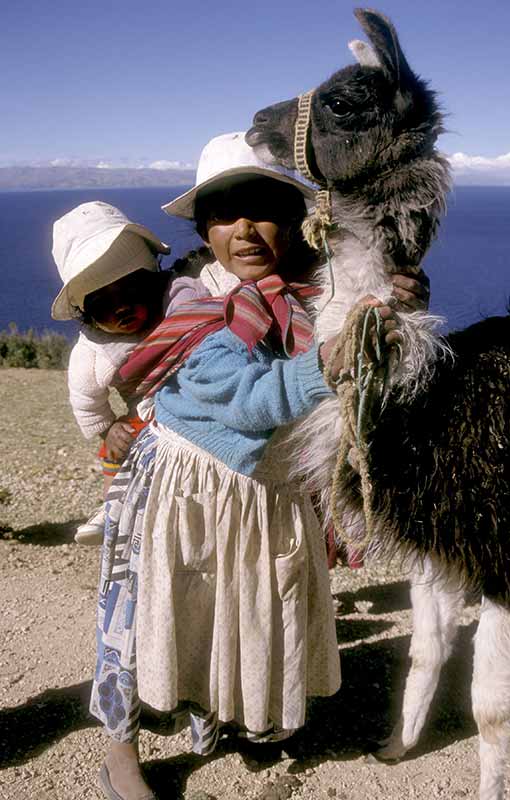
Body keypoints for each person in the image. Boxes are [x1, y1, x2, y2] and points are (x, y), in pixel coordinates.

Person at [90, 132, 428, 800]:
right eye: (222, 215)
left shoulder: (316, 292)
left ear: (295, 219)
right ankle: (118, 747)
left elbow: (371, 363)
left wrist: (396, 310)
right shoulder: (195, 305)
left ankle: (235, 713)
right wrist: (333, 360)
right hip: (182, 489)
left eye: (260, 210)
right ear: (204, 230)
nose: (242, 229)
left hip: (269, 492)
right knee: (136, 612)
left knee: (241, 608)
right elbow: (252, 399)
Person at [51, 201, 209, 544]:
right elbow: (86, 401)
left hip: (199, 402)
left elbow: (195, 302)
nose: (121, 306)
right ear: (86, 314)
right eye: (103, 303)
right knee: (115, 451)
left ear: (151, 278)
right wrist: (109, 429)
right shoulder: (92, 351)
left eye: (132, 289)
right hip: (143, 413)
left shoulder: (175, 298)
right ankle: (113, 506)